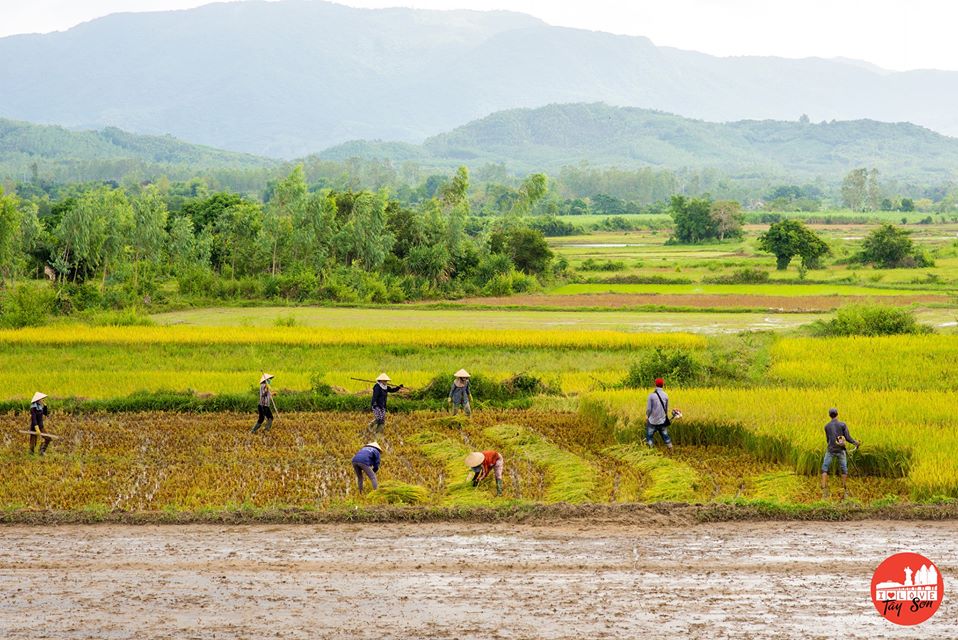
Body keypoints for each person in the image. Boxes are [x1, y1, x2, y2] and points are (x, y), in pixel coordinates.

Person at [821, 408, 861, 499]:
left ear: (829, 415)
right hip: (841, 450)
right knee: (844, 468)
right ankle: (844, 486)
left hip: (830, 450)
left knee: (825, 467)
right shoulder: (842, 425)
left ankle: (823, 487)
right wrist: (856, 443)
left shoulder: (826, 426)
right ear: (837, 414)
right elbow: (848, 438)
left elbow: (828, 440)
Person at [645, 378, 677, 450]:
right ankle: (671, 449)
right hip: (662, 420)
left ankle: (651, 450)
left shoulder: (651, 396)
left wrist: (647, 416)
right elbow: (666, 408)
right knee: (665, 436)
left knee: (649, 436)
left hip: (652, 421)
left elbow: (649, 409)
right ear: (663, 385)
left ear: (655, 385)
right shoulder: (666, 395)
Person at [28, 391, 53, 456]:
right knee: (33, 442)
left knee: (48, 438)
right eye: (42, 399)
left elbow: (45, 414)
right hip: (34, 427)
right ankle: (31, 455)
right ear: (38, 399)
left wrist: (45, 406)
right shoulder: (33, 407)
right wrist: (37, 428)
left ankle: (41, 451)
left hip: (41, 426)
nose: (43, 400)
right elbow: (34, 419)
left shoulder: (40, 406)